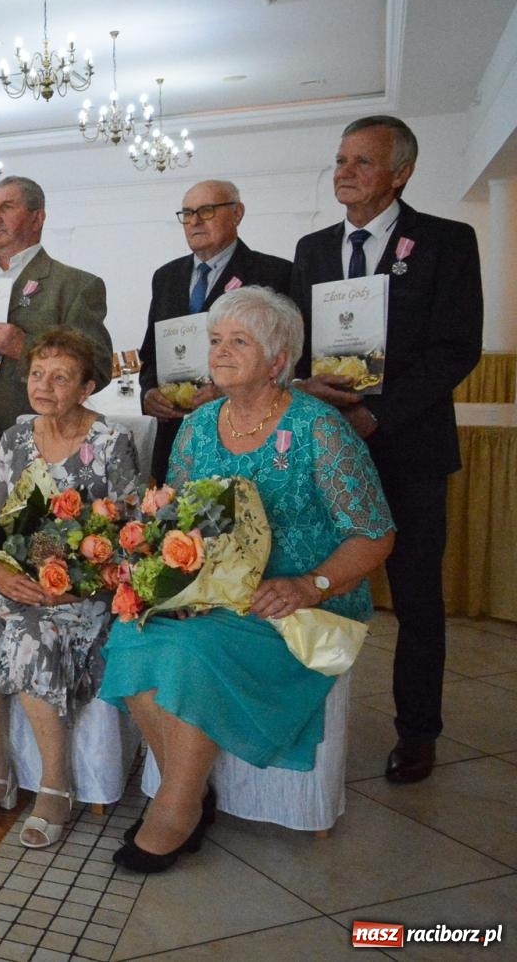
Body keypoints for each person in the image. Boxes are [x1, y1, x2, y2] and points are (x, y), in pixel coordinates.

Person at [101, 287, 395, 872]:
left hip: (298, 600)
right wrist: (167, 583)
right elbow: (176, 517)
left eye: (239, 341)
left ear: (279, 360)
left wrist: (308, 585)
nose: (220, 352)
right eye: (215, 340)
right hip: (213, 594)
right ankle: (190, 792)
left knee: (191, 649)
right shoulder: (198, 426)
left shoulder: (319, 429)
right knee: (131, 635)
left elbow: (375, 534)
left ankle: (177, 810)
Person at [291, 116, 483, 786]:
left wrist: (380, 415)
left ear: (400, 172)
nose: (344, 172)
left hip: (411, 451)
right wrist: (300, 383)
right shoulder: (313, 250)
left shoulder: (445, 242)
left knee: (417, 600)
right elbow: (295, 346)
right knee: (317, 586)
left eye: (362, 162)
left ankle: (418, 732)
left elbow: (456, 349)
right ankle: (304, 713)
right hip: (329, 452)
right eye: (340, 159)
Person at [0, 328, 140, 847]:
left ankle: (56, 786)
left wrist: (69, 586)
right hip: (16, 582)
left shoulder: (111, 442)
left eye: (61, 377)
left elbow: (127, 537)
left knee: (36, 640)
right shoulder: (17, 436)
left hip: (81, 592)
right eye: (36, 374)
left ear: (87, 386)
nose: (44, 386)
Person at [0, 177, 114, 448]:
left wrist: (26, 348)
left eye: (6, 208)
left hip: (35, 444)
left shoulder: (76, 286)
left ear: (37, 218)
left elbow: (99, 367)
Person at [139, 180, 292, 476]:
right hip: (175, 436)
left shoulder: (275, 273)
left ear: (237, 214)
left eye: (206, 211)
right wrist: (148, 394)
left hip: (244, 432)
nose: (194, 221)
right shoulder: (166, 277)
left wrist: (229, 390)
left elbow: (287, 360)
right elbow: (150, 354)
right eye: (187, 213)